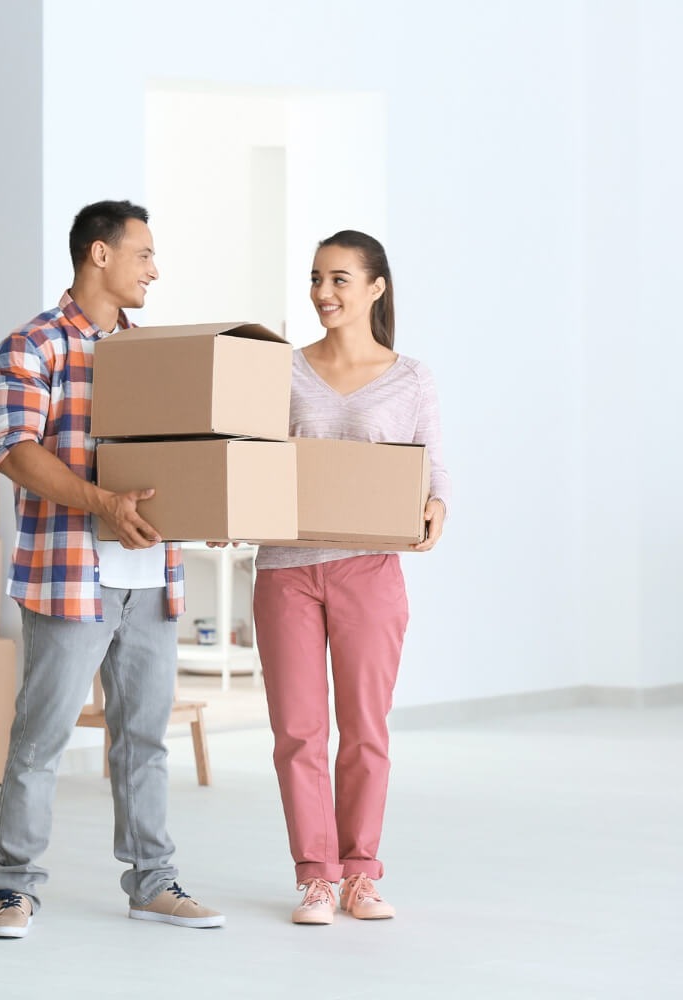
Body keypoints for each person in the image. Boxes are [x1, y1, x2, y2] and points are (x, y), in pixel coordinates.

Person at [0, 199, 226, 939]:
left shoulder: (156, 356)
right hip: (69, 572)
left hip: (152, 579)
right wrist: (101, 503)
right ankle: (14, 890)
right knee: (42, 737)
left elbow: (183, 453)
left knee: (144, 738)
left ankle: (153, 883)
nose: (155, 268)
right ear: (100, 255)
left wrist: (203, 509)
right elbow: (16, 452)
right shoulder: (31, 346)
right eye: (144, 254)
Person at [253, 230, 450, 925]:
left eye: (339, 279)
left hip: (370, 569)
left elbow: (431, 463)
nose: (323, 293)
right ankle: (315, 876)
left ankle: (361, 873)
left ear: (376, 287)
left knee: (365, 728)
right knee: (298, 732)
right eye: (315, 278)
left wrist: (436, 504)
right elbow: (251, 460)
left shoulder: (409, 375)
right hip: (286, 568)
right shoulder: (281, 369)